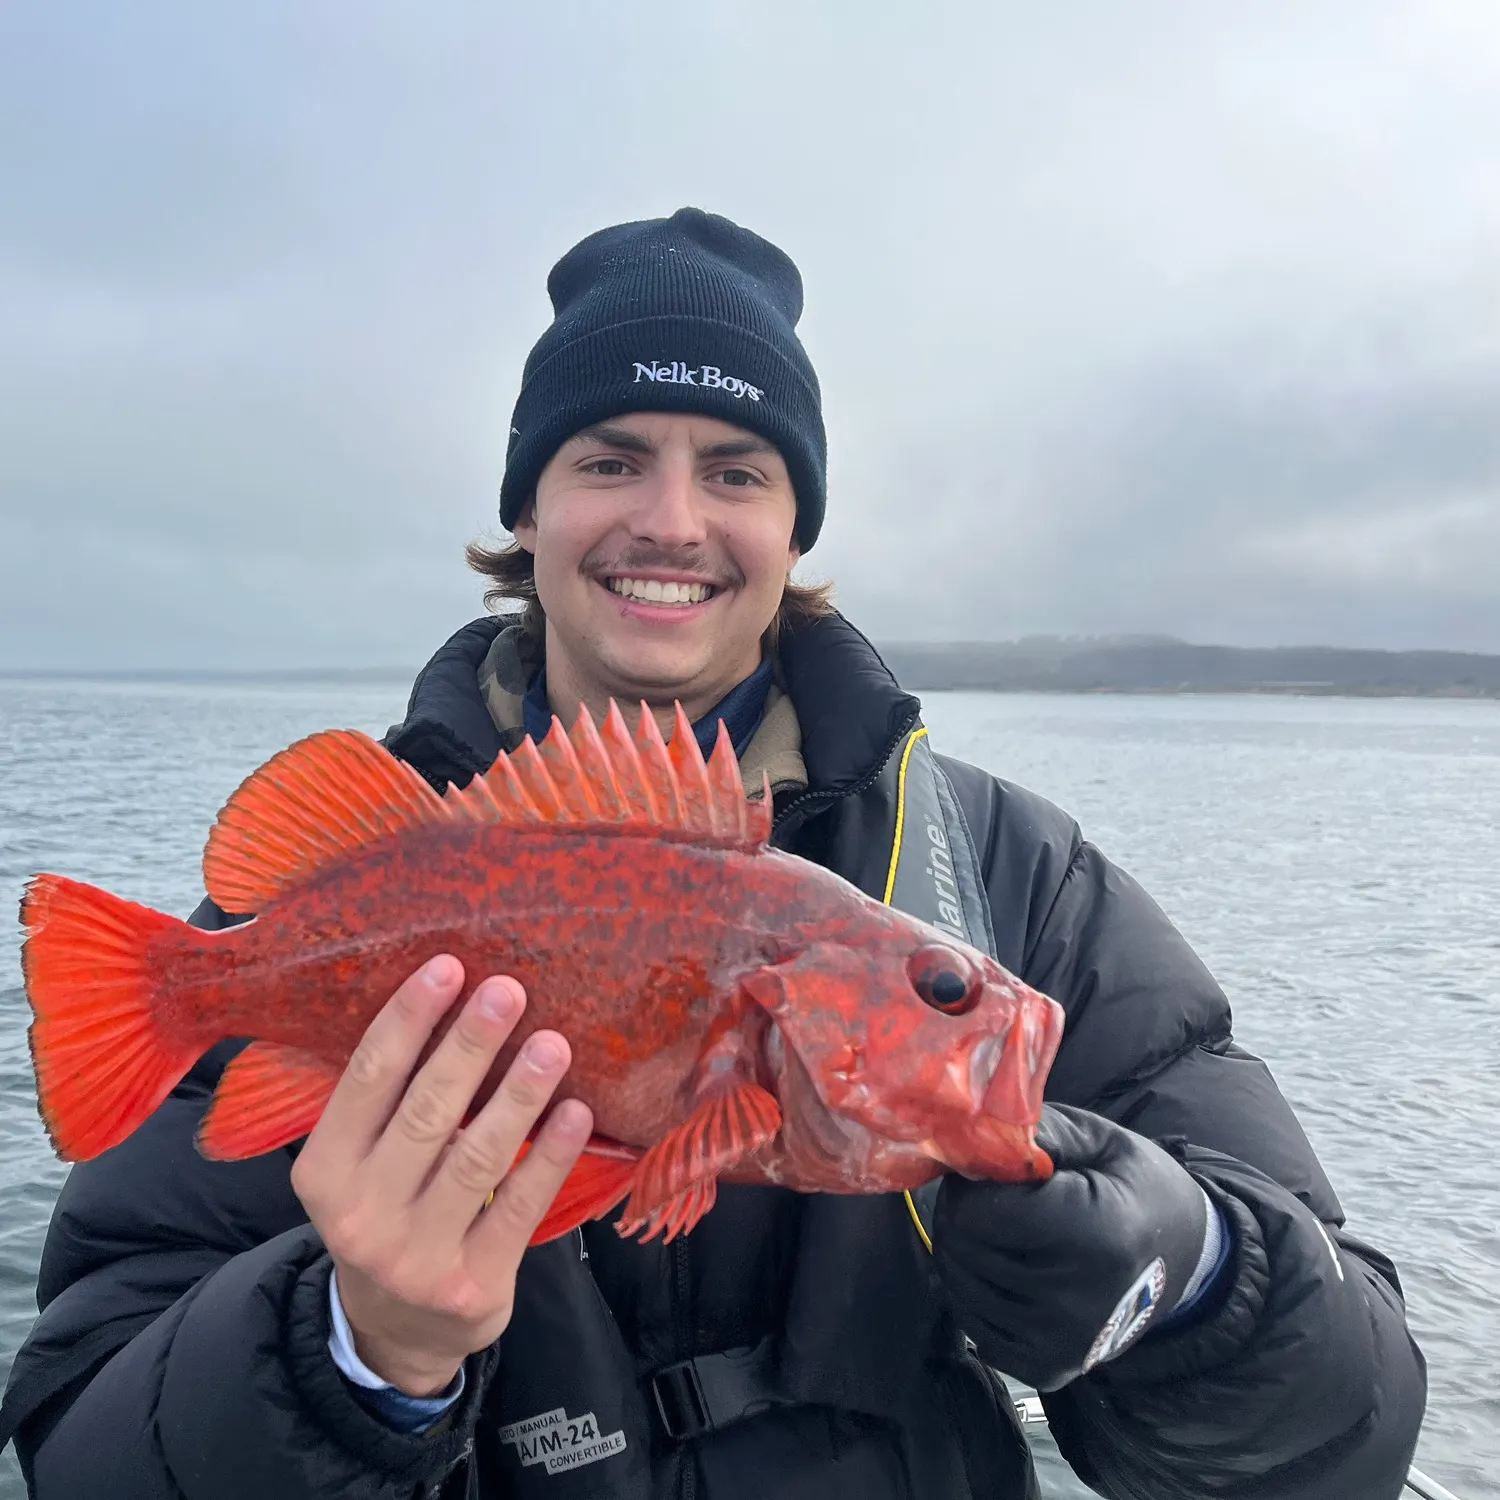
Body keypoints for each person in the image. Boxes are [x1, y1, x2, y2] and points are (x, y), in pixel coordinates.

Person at [2, 208, 1426, 1499]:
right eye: (608, 458)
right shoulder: (341, 900)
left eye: (735, 470)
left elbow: (1350, 1433)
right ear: (527, 512)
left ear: (795, 521)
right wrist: (359, 1349)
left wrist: (1189, 1277)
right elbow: (78, 1434)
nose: (671, 519)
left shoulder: (1014, 876)